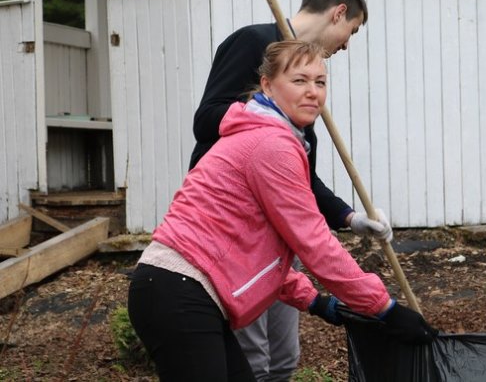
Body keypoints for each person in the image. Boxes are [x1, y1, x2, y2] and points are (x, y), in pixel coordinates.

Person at [128, 41, 437, 381]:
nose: (313, 92)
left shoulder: (269, 137)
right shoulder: (271, 145)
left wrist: (318, 302)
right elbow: (314, 243)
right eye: (300, 81)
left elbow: (254, 251)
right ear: (267, 86)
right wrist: (384, 309)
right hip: (180, 292)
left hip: (176, 290)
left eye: (320, 82)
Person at [190, 0, 392, 381]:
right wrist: (266, 116)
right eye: (350, 32)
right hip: (234, 230)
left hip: (278, 233)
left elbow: (303, 180)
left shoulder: (302, 81)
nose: (346, 45)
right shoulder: (253, 42)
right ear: (338, 13)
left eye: (316, 82)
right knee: (253, 360)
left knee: (283, 359)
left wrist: (351, 218)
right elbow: (206, 120)